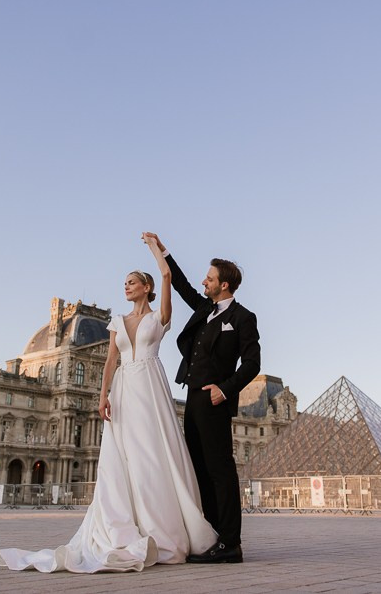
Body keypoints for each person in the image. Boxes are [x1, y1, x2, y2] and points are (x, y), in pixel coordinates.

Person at [0, 234, 217, 573]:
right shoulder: (115, 322)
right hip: (124, 390)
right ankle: (124, 525)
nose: (125, 286)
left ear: (146, 287)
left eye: (131, 282)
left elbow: (169, 276)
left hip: (150, 387)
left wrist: (155, 249)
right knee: (122, 457)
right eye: (124, 283)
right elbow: (111, 361)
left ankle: (160, 526)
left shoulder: (159, 318)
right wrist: (102, 397)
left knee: (152, 454)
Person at [144, 232, 260, 564]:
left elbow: (252, 363)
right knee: (197, 467)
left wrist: (225, 388)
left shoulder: (242, 318)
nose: (204, 282)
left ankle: (230, 542)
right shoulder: (205, 308)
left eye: (209, 279)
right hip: (193, 396)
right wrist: (162, 251)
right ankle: (210, 535)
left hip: (215, 400)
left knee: (220, 469)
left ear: (224, 285)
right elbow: (179, 285)